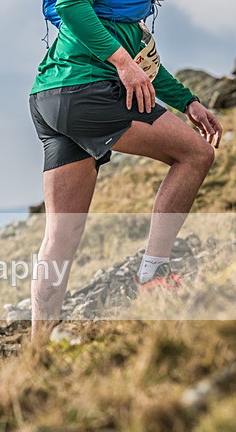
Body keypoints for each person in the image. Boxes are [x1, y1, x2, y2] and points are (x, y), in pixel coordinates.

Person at [29, 0, 223, 342]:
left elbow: (143, 65)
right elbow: (70, 4)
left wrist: (188, 101)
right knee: (195, 154)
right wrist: (122, 62)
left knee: (61, 233)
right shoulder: (117, 19)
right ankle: (153, 275)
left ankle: (38, 347)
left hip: (50, 96)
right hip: (89, 90)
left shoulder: (124, 19)